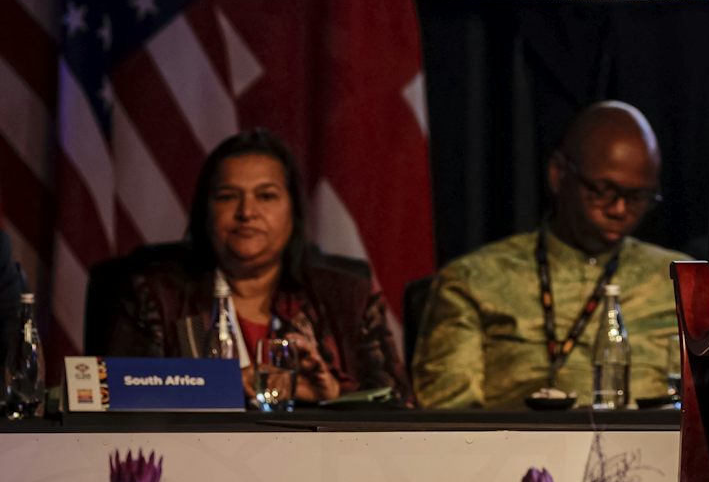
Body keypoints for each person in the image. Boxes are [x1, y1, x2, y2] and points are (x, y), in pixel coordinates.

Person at [105, 129, 409, 403]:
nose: (247, 212)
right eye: (227, 197)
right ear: (205, 212)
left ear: (294, 210)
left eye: (266, 196)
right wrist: (221, 386)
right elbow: (118, 393)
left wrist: (333, 394)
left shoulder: (349, 297)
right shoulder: (156, 296)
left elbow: (399, 405)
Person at [412, 102, 678, 408]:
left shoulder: (678, 281)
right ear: (558, 175)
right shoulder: (475, 280)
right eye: (603, 190)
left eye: (638, 197)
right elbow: (447, 419)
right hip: (510, 454)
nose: (619, 210)